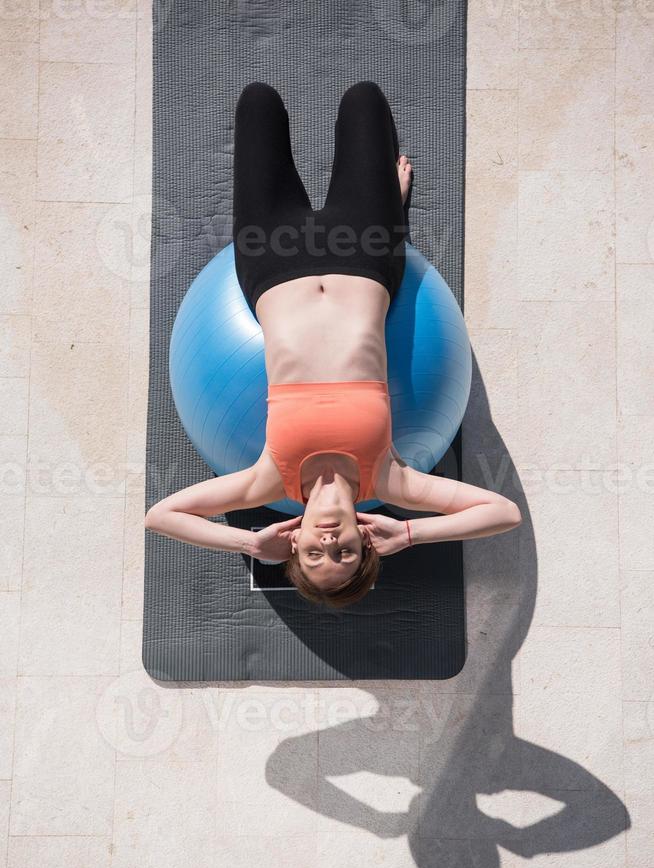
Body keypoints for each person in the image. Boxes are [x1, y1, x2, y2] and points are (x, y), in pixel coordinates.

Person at [145, 81, 521, 607]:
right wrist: (411, 533)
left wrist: (250, 542)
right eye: (344, 554)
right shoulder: (392, 480)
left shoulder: (267, 480)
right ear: (365, 542)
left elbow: (160, 516)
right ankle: (394, 210)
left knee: (258, 102)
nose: (327, 546)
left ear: (293, 543)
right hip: (365, 253)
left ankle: (391, 205)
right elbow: (504, 514)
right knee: (364, 99)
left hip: (272, 259)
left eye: (312, 557)